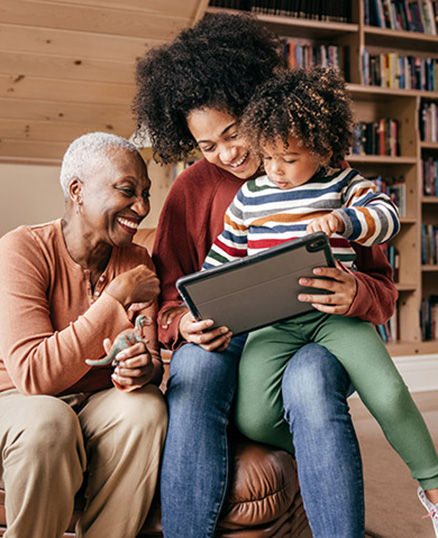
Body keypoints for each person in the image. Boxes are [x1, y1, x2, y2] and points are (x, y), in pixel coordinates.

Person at [134, 13, 398, 538]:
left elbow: (382, 288)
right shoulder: (192, 189)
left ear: (254, 105)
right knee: (196, 371)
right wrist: (181, 325)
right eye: (207, 146)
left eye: (232, 133)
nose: (227, 154)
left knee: (311, 379)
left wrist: (354, 292)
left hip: (315, 331)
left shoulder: (319, 169)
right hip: (230, 337)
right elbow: (168, 294)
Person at [203, 66, 438, 533]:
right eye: (267, 156)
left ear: (324, 148)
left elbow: (387, 217)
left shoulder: (343, 182)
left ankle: (432, 486)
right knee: (252, 416)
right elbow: (221, 262)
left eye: (288, 158)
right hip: (274, 322)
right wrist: (206, 305)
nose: (274, 169)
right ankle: (320, 450)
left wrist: (346, 222)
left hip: (336, 316)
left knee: (389, 394)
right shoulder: (249, 197)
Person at [0, 132, 168, 538]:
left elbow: (150, 359)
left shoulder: (136, 259)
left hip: (96, 400)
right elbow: (34, 376)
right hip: (18, 400)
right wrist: (115, 298)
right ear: (77, 190)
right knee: (49, 420)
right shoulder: (22, 249)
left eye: (145, 194)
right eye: (128, 191)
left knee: (146, 407)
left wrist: (142, 368)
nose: (142, 208)